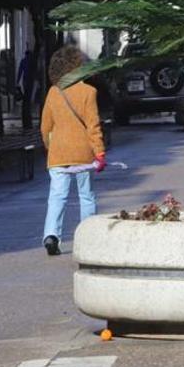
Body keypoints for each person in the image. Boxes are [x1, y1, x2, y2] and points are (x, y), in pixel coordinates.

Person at [40, 46, 106, 256]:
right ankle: (87, 237)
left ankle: (51, 235)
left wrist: (51, 147)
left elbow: (45, 127)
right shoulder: (89, 92)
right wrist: (100, 153)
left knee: (56, 197)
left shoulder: (53, 92)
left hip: (58, 155)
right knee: (86, 196)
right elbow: (93, 126)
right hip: (83, 154)